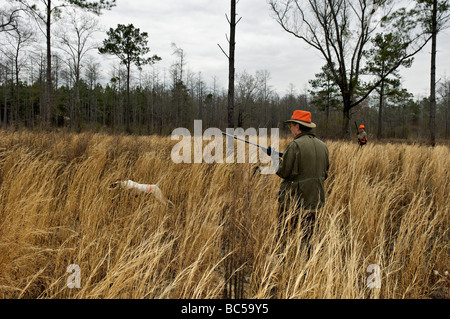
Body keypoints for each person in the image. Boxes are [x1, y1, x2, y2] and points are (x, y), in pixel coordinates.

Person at [276, 110, 329, 253]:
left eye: (291, 126)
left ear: (298, 127)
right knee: (308, 236)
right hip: (314, 200)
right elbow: (325, 173)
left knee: (286, 235)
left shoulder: (294, 145)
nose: (291, 130)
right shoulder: (323, 146)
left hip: (294, 200)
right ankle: (306, 262)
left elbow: (283, 172)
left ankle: (286, 260)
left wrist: (275, 160)